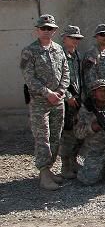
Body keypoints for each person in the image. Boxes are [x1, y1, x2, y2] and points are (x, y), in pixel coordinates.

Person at [20, 14, 70, 190]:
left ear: (55, 31)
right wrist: (47, 93)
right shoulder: (29, 51)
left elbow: (66, 72)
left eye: (50, 28)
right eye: (44, 28)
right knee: (43, 138)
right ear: (37, 30)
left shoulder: (58, 49)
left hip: (58, 101)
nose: (47, 31)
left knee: (55, 136)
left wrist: (61, 91)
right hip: (40, 102)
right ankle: (43, 174)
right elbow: (29, 77)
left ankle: (49, 170)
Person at [59, 25, 85, 180]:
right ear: (64, 38)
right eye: (72, 37)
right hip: (66, 100)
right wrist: (68, 96)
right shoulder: (60, 55)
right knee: (67, 134)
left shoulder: (77, 56)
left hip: (78, 100)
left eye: (77, 38)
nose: (75, 41)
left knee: (79, 132)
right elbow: (58, 78)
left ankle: (74, 160)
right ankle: (65, 165)